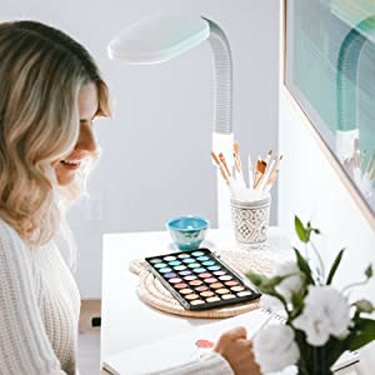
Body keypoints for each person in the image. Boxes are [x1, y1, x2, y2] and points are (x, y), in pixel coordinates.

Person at [0, 20, 261, 375]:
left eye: (92, 121)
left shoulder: (27, 208)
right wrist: (220, 368)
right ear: (20, 125)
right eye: (73, 124)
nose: (92, 146)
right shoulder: (3, 241)